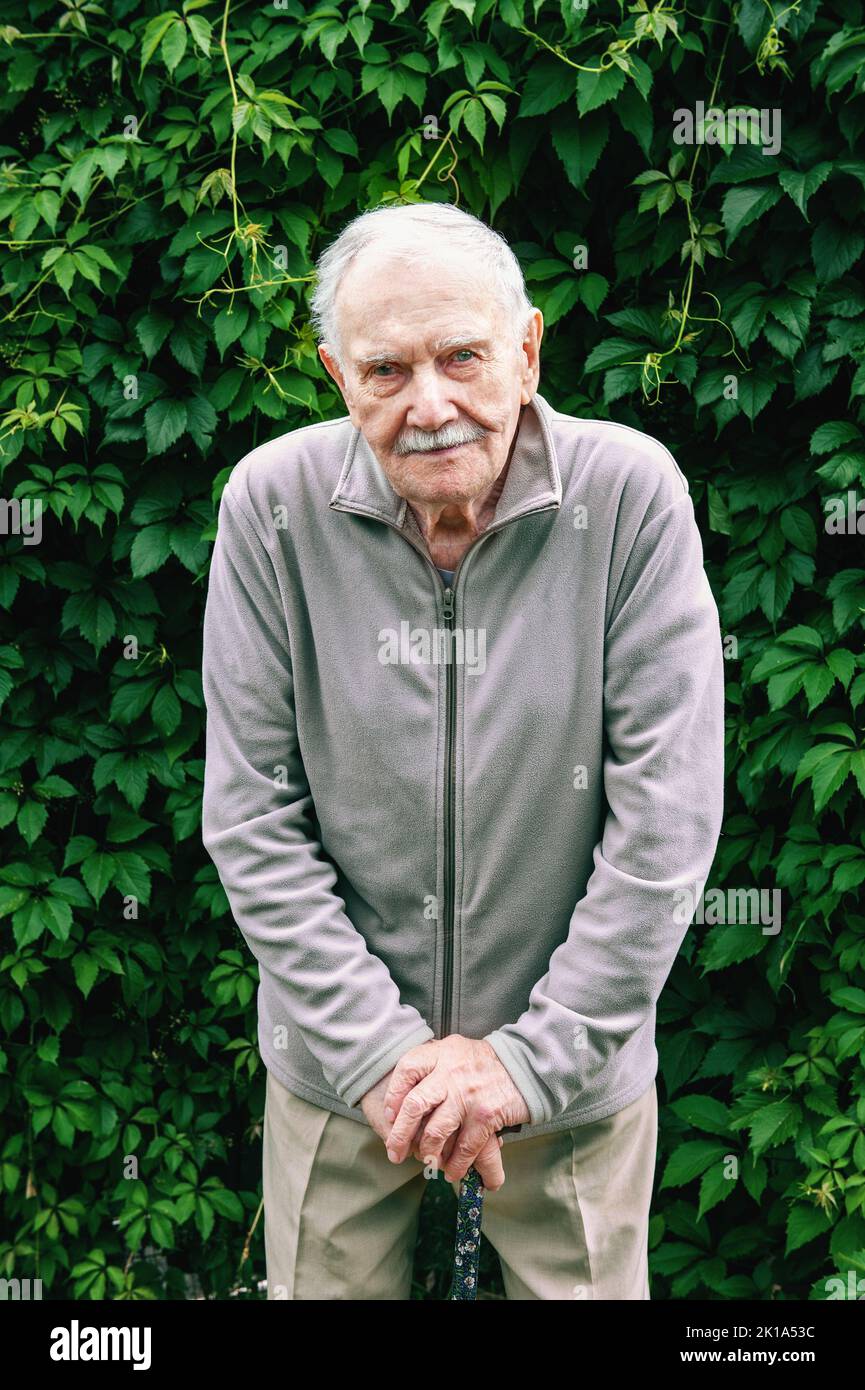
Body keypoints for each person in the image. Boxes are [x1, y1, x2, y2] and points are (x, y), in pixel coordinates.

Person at [201, 201, 725, 1299]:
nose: (428, 405)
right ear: (334, 372)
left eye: (463, 357)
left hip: (573, 1077)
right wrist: (382, 1061)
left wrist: (528, 1062)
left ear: (527, 350)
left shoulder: (630, 495)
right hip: (342, 1077)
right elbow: (253, 817)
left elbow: (664, 823)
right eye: (384, 369)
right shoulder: (270, 505)